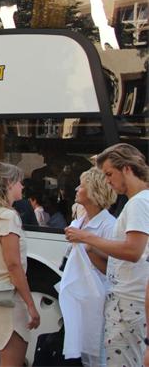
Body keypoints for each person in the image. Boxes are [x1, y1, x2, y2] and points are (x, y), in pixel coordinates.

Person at [65, 143, 148, 367]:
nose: (108, 181)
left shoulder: (138, 203)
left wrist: (87, 238)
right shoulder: (140, 201)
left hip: (127, 303)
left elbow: (133, 251)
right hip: (128, 301)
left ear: (127, 169)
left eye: (110, 174)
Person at [0, 162, 41, 367]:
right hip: (8, 299)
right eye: (19, 182)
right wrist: (31, 304)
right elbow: (13, 265)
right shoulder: (9, 216)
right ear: (9, 183)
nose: (22, 186)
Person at [60, 167, 116, 367]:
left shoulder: (109, 225)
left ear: (93, 191)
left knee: (95, 352)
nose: (77, 189)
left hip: (97, 301)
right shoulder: (79, 221)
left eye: (81, 185)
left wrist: (88, 246)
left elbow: (112, 268)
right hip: (77, 298)